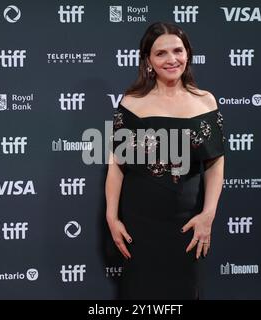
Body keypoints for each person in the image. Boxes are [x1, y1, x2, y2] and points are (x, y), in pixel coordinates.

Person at [105, 22, 225, 300]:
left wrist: (208, 215)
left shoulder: (206, 101)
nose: (172, 59)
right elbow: (117, 165)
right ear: (147, 60)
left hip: (187, 223)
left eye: (177, 51)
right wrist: (112, 217)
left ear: (188, 54)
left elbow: (215, 163)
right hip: (140, 226)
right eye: (161, 53)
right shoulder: (132, 102)